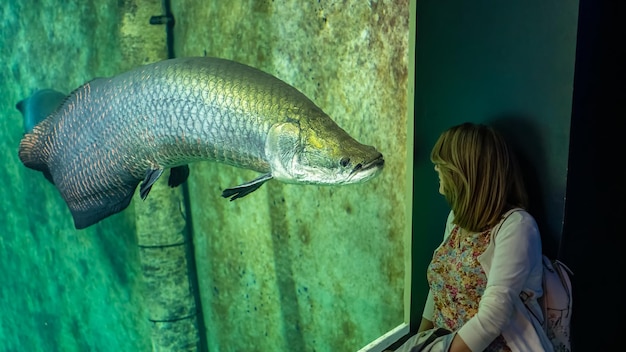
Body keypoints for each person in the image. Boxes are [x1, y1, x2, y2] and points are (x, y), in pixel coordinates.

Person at [416, 123, 553, 351]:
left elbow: (494, 315)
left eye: (442, 163)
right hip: (445, 344)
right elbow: (440, 288)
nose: (435, 168)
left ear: (466, 171)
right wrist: (419, 340)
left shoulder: (517, 227)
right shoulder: (456, 219)